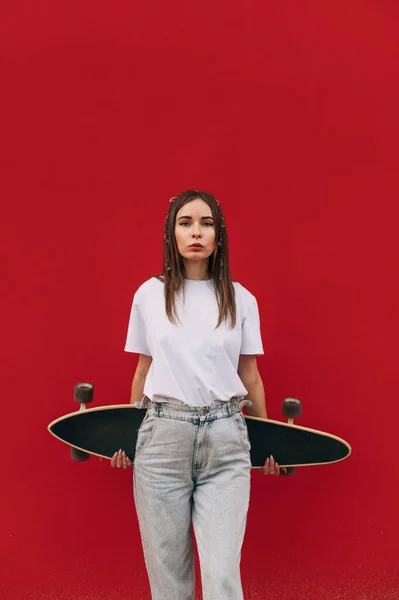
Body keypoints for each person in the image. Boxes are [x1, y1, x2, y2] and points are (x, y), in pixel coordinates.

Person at [111, 190, 284, 600]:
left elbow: (250, 376)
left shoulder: (242, 299)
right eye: (185, 223)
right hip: (162, 440)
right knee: (169, 582)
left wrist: (270, 443)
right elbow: (143, 370)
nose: (196, 232)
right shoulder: (149, 295)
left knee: (223, 578)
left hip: (227, 438)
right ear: (171, 234)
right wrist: (126, 438)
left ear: (218, 236)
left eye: (206, 223)